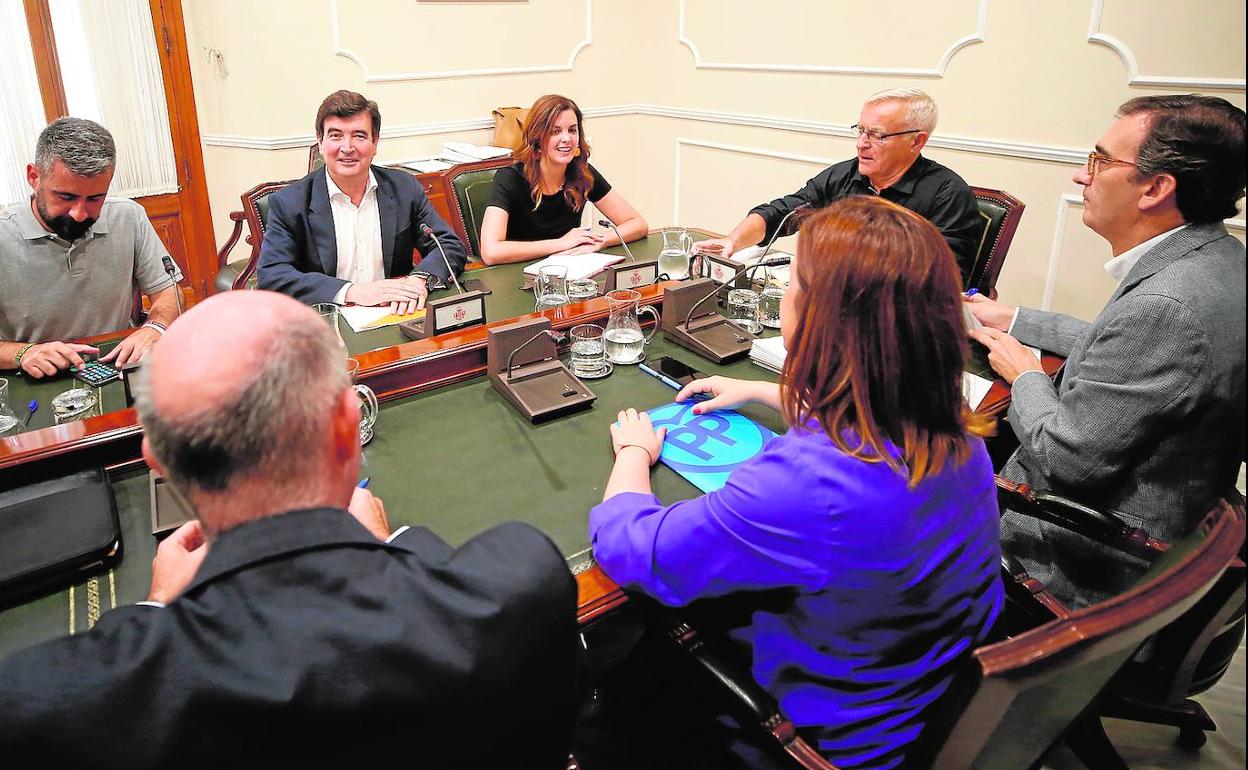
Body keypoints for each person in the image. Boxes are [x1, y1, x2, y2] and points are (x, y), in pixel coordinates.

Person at [0, 291, 579, 767]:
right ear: (350, 427)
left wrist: (151, 612)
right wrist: (394, 548)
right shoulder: (519, 581)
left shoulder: (49, 705)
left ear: (157, 459)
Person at [590, 197, 1003, 769]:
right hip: (930, 698)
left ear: (818, 316)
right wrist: (762, 391)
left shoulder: (805, 485)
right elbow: (866, 413)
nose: (785, 290)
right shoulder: (958, 427)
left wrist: (634, 454)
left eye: (794, 280)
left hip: (822, 740)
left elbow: (633, 548)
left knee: (614, 672)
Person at [966, 95, 1246, 609]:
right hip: (1170, 522)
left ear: (1157, 188)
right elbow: (1127, 351)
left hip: (1076, 562)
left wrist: (1027, 373)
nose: (1081, 177)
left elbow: (1064, 460)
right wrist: (1019, 320)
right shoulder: (1216, 260)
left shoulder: (1167, 306)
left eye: (1100, 161)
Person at [694, 88, 983, 282]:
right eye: (860, 131)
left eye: (877, 135)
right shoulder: (845, 176)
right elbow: (784, 213)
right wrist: (732, 240)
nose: (861, 144)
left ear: (917, 141)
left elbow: (944, 281)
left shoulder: (948, 194)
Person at [0, 117, 182, 378]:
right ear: (34, 177)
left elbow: (169, 291)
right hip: (29, 375)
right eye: (66, 197)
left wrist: (155, 327)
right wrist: (22, 353)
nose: (79, 213)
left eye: (96, 198)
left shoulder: (127, 217)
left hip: (114, 364)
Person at [258, 90, 468, 314]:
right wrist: (352, 292)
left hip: (395, 314)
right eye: (336, 135)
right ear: (320, 142)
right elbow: (273, 275)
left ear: (375, 142)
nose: (347, 148)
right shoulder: (290, 202)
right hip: (327, 319)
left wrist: (420, 280)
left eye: (359, 136)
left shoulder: (404, 189)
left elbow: (449, 246)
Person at [478, 94, 647, 265]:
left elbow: (637, 224)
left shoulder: (583, 173)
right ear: (537, 137)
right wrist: (560, 244)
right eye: (555, 131)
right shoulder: (510, 177)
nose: (567, 139)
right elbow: (491, 252)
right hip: (518, 273)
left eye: (572, 130)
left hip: (568, 271)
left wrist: (599, 240)